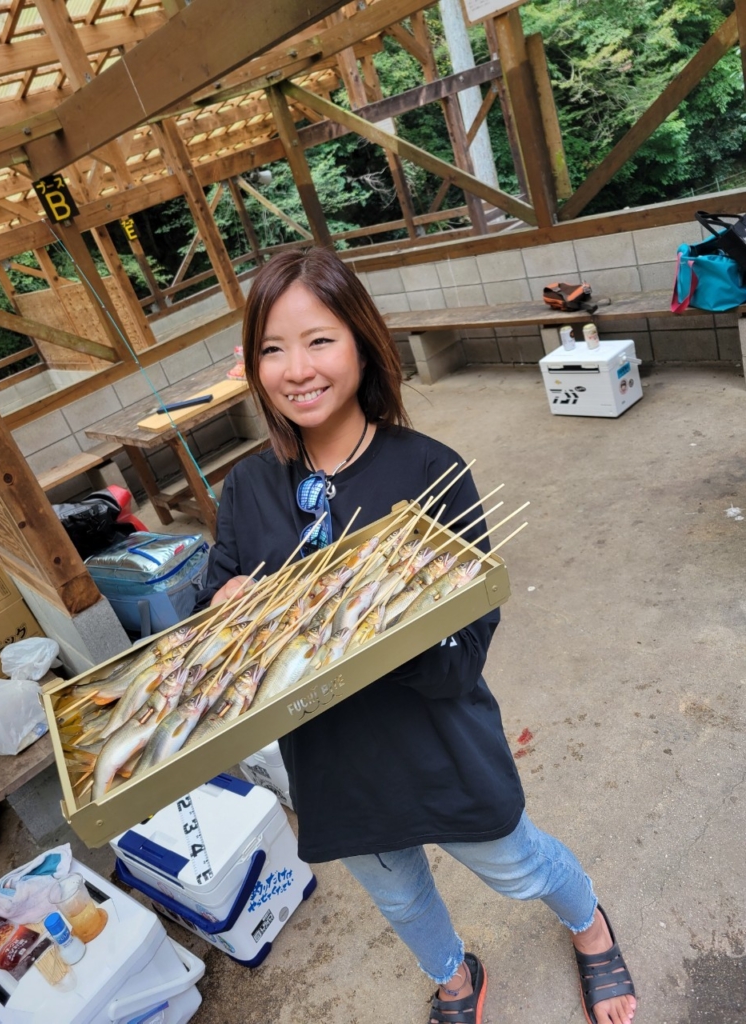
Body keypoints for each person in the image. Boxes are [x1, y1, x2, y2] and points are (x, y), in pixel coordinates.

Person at [196, 247, 637, 1024]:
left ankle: (590, 924)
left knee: (518, 866)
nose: (296, 369)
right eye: (271, 348)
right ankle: (453, 976)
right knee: (399, 896)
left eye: (319, 340)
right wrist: (224, 614)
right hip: (333, 762)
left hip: (437, 745)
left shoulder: (432, 473)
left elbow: (461, 660)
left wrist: (374, 618)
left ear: (363, 343)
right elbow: (217, 604)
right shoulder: (248, 486)